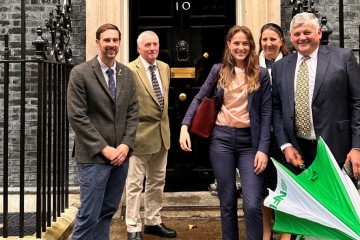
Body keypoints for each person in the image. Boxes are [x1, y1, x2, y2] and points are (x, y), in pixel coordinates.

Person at [272, 12, 360, 239]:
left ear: (319, 33)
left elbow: (357, 103)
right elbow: (277, 109)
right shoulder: (282, 67)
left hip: (336, 148)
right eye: (297, 33)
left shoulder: (343, 57)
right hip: (298, 152)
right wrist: (284, 145)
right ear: (290, 37)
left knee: (338, 211)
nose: (302, 37)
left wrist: (357, 147)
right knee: (305, 215)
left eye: (307, 32)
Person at [179, 25, 272, 240]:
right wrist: (185, 125)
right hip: (222, 140)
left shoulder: (261, 74)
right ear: (229, 45)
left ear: (251, 46)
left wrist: (263, 149)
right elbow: (200, 98)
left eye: (245, 43)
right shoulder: (218, 70)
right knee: (227, 202)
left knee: (251, 204)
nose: (240, 48)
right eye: (236, 43)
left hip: (251, 143)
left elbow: (266, 113)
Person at [67, 23, 139, 240]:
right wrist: (104, 149)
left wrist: (125, 145)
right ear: (97, 42)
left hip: (121, 157)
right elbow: (77, 116)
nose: (111, 45)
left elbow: (133, 112)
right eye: (106, 40)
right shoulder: (80, 73)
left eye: (115, 40)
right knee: (89, 214)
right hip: (94, 157)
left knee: (108, 211)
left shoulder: (126, 74)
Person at [125, 30, 177, 240]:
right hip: (139, 135)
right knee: (135, 183)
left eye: (155, 44)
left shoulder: (164, 67)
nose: (152, 48)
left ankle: (153, 221)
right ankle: (132, 226)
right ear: (139, 48)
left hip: (162, 134)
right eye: (147, 45)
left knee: (157, 181)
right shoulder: (129, 69)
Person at [258, 23, 289, 240]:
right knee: (264, 187)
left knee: (286, 185)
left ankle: (287, 230)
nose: (268, 43)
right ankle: (266, 231)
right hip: (260, 136)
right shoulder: (251, 64)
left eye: (273, 39)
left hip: (285, 136)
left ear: (281, 42)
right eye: (264, 39)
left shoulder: (290, 64)